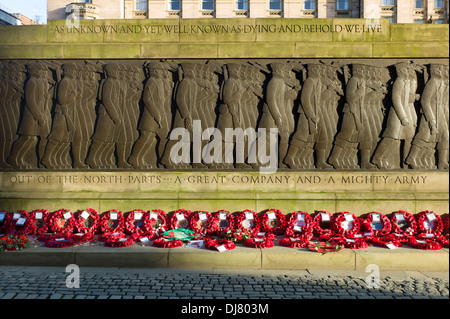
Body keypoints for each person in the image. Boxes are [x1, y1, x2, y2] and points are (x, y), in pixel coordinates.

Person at [372, 62, 419, 169]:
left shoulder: (406, 81)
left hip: (407, 113)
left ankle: (405, 163)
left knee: (409, 137)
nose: (409, 71)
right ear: (401, 70)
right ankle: (377, 158)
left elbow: (409, 98)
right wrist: (403, 117)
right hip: (398, 114)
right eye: (407, 69)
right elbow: (396, 99)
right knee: (391, 137)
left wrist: (413, 83)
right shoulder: (399, 82)